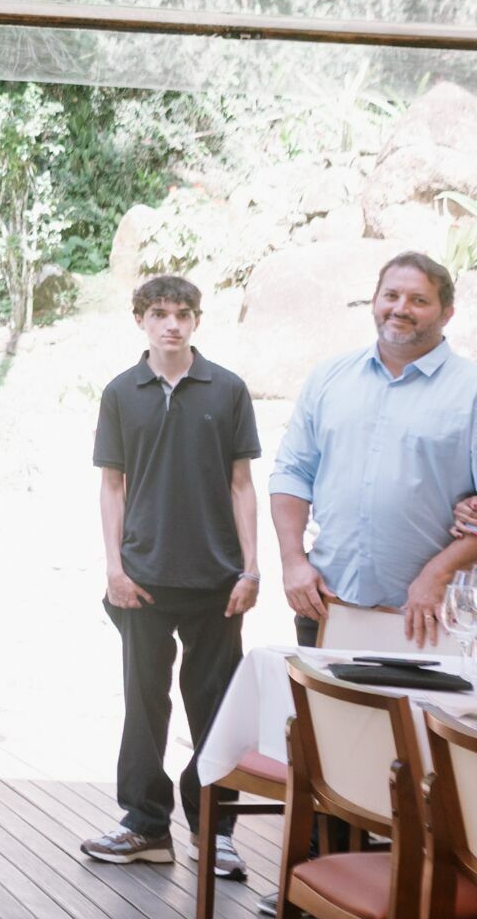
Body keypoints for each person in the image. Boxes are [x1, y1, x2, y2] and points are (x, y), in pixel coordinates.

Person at [78, 276, 261, 878]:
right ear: (141, 320)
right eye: (159, 314)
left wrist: (252, 568)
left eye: (183, 314)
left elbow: (241, 484)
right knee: (143, 705)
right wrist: (113, 568)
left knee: (214, 709)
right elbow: (112, 486)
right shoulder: (120, 393)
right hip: (143, 580)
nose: (172, 325)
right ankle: (145, 826)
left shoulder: (228, 389)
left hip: (216, 582)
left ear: (196, 321)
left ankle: (216, 833)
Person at [271, 251, 477, 651]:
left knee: (423, 717)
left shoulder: (470, 390)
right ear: (375, 301)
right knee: (327, 714)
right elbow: (292, 472)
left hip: (433, 613)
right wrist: (293, 561)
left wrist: (438, 573)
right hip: (329, 602)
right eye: (391, 295)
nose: (401, 308)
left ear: (447, 313)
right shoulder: (329, 377)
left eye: (419, 300)